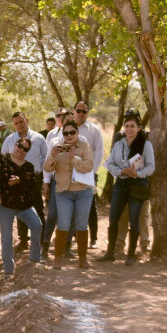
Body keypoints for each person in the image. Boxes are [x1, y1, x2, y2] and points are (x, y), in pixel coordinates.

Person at [102, 110, 156, 265]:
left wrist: (137, 173)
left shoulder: (146, 144)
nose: (130, 129)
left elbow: (151, 167)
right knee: (113, 219)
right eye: (127, 126)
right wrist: (121, 171)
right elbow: (110, 163)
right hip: (121, 184)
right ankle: (110, 252)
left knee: (134, 219)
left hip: (137, 184)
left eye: (133, 126)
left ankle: (131, 255)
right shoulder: (119, 144)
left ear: (139, 128)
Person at [0, 137, 43, 276]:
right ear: (15, 145)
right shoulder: (2, 160)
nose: (21, 150)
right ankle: (8, 270)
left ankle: (34, 258)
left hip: (24, 205)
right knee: (7, 237)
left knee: (37, 225)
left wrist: (20, 180)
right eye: (19, 146)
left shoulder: (29, 166)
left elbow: (32, 186)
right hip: (4, 204)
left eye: (25, 149)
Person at [43, 121, 95, 269]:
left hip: (83, 191)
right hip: (63, 192)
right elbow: (47, 168)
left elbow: (89, 166)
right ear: (62, 134)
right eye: (66, 133)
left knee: (81, 224)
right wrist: (52, 156)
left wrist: (74, 160)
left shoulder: (84, 146)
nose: (69, 135)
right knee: (63, 224)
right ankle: (58, 258)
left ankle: (82, 258)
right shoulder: (57, 146)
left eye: (72, 132)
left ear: (78, 133)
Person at [2, 112, 48, 251]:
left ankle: (42, 241)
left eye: (21, 122)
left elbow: (45, 158)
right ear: (13, 124)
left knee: (37, 208)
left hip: (33, 178)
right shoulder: (10, 140)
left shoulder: (38, 138)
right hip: (16, 180)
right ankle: (23, 240)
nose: (19, 125)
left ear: (26, 120)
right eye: (16, 123)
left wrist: (42, 176)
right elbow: (3, 157)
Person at [72, 102, 105, 247]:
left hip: (89, 173)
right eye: (78, 111)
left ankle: (94, 238)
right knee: (72, 204)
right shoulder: (68, 129)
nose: (81, 113)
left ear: (88, 112)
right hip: (72, 174)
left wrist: (92, 171)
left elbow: (99, 152)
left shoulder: (94, 130)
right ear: (74, 111)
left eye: (84, 111)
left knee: (90, 206)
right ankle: (73, 237)